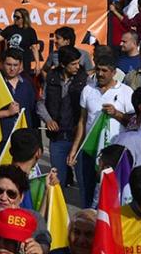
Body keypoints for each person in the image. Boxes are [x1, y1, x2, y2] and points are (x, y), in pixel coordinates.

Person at [68, 54, 134, 208]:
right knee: (87, 190)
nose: (100, 74)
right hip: (90, 150)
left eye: (104, 70)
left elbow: (132, 123)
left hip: (114, 154)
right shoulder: (87, 90)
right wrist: (74, 149)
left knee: (110, 194)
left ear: (113, 72)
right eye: (98, 69)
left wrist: (116, 113)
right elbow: (82, 121)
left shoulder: (126, 92)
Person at [37, 45, 88, 186]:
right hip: (57, 137)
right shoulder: (51, 77)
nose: (78, 67)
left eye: (79, 62)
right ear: (63, 64)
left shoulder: (85, 80)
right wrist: (48, 120)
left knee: (83, 180)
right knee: (57, 180)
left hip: (77, 137)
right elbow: (41, 102)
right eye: (73, 64)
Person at [0, 166, 51, 251]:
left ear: (21, 197)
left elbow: (45, 241)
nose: (3, 198)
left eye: (11, 194)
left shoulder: (35, 218)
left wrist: (40, 248)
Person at [0, 48, 36, 141]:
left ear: (21, 65)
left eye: (15, 65)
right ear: (2, 64)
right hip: (2, 138)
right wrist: (7, 113)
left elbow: (33, 112)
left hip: (24, 138)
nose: (12, 68)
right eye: (8, 64)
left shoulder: (27, 84)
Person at [0, 8, 40, 75]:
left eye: (17, 17)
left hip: (24, 63)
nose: (15, 19)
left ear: (24, 18)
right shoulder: (9, 29)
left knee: (23, 82)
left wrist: (37, 64)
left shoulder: (30, 31)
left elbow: (34, 48)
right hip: (10, 63)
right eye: (14, 16)